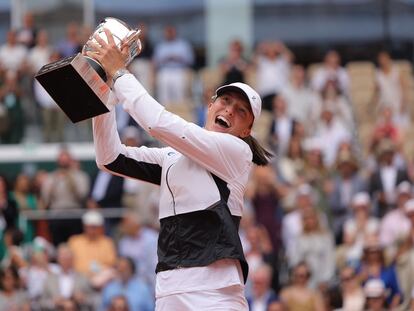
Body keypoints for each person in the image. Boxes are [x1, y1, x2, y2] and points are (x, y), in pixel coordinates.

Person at [86, 28, 272, 310]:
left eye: (242, 111)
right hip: (170, 288)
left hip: (215, 292)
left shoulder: (237, 152)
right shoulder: (172, 156)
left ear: (247, 130)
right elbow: (109, 158)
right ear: (210, 105)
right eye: (225, 101)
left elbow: (157, 123)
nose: (230, 110)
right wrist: (103, 91)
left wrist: (120, 73)